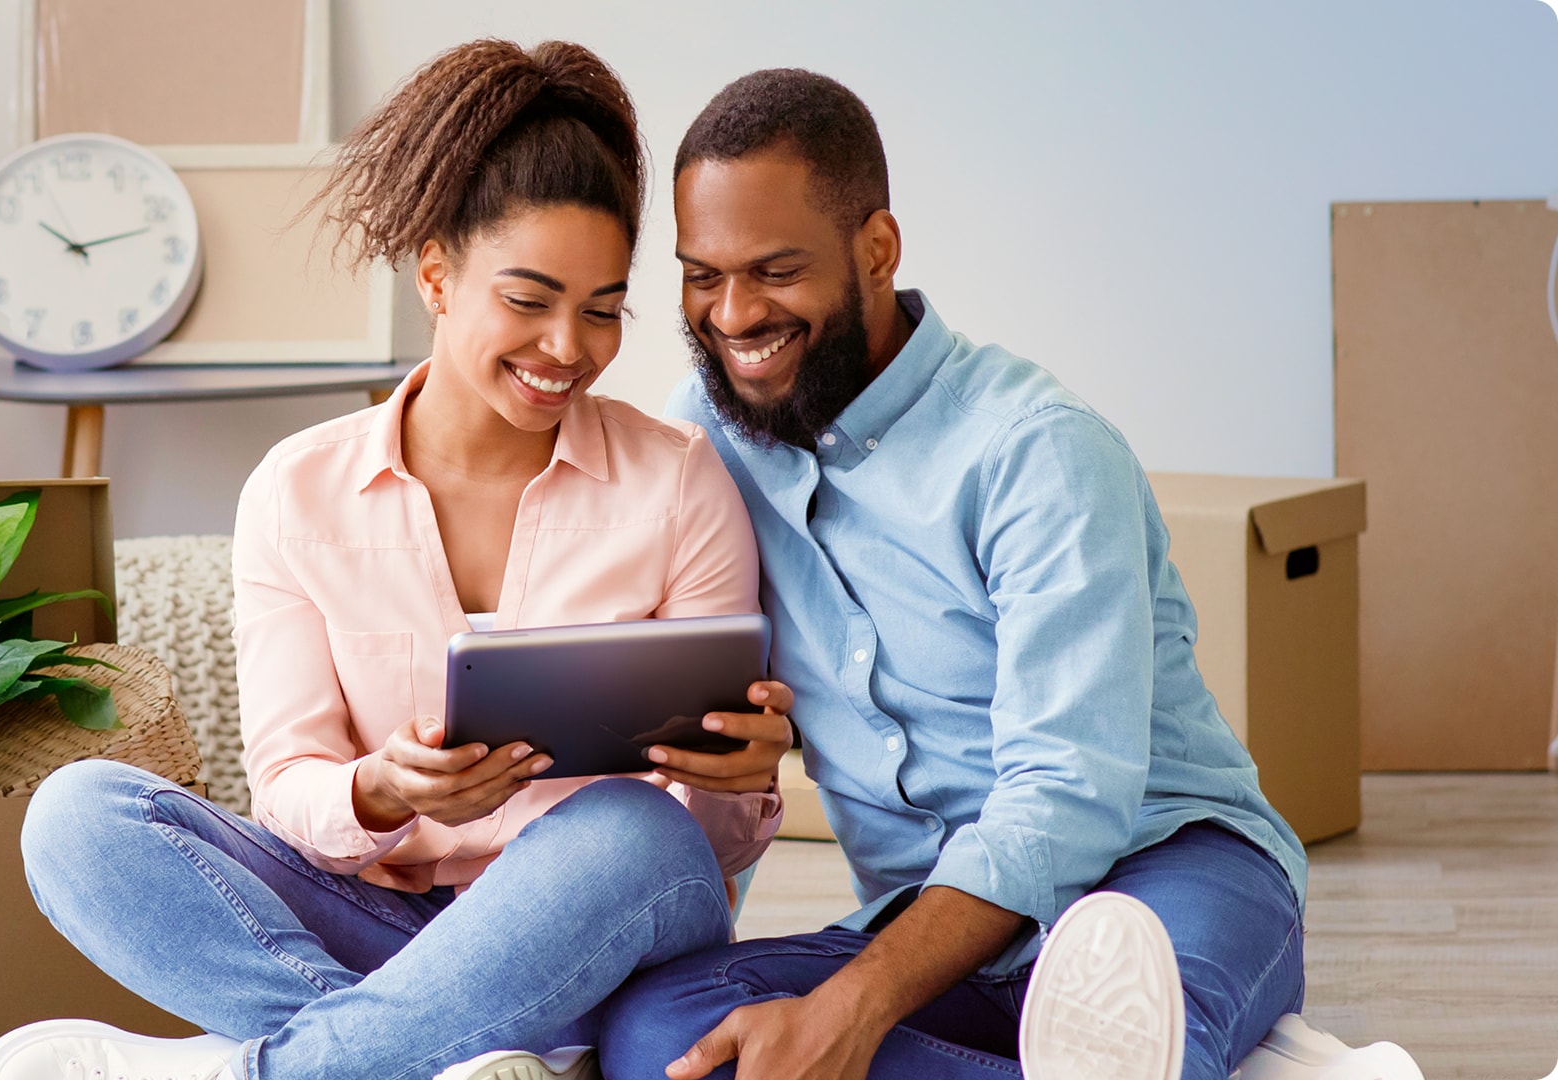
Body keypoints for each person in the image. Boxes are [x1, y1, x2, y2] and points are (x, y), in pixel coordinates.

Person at [0, 40, 792, 1080]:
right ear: (439, 275)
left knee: (637, 830)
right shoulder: (296, 489)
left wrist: (740, 780)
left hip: (592, 947)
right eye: (529, 299)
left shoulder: (677, 481)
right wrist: (383, 791)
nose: (566, 348)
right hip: (371, 925)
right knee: (78, 818)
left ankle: (253, 1070)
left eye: (601, 311)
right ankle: (442, 1057)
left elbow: (703, 855)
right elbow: (288, 790)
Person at [598, 69, 1428, 1080]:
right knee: (657, 1035)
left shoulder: (1037, 450)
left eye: (774, 270)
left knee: (1107, 1018)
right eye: (701, 274)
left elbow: (1069, 795)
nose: (732, 317)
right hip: (936, 931)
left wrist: (854, 1010)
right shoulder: (705, 441)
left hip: (1161, 871)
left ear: (877, 250)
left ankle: (1150, 1056)